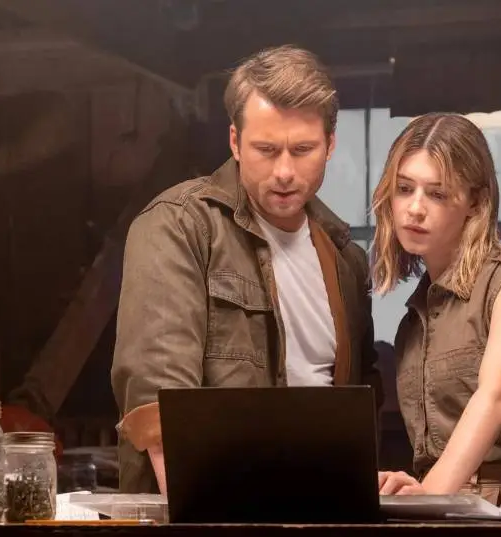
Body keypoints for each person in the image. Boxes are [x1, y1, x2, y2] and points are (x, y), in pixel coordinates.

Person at [111, 45, 383, 494]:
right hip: (211, 505)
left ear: (330, 145)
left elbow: (356, 404)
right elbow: (160, 403)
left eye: (302, 149)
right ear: (235, 142)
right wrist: (204, 516)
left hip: (320, 504)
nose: (284, 171)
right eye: (266, 149)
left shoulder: (345, 259)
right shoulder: (181, 226)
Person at [372, 113, 501, 505]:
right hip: (443, 503)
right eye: (404, 188)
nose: (414, 208)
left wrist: (428, 497)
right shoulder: (413, 321)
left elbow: (496, 398)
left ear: (475, 201)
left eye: (437, 193)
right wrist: (411, 489)